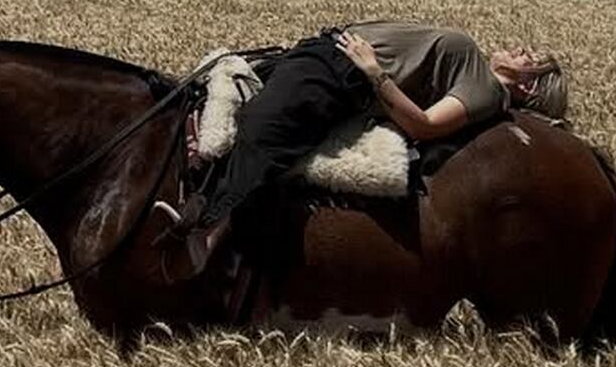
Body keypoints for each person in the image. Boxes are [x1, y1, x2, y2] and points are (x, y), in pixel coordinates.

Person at [160, 21, 569, 275]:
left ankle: (208, 232)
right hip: (328, 55)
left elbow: (424, 125)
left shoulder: (484, 91)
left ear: (529, 84)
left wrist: (373, 71)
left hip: (343, 74)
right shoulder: (477, 71)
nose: (519, 50)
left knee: (261, 129)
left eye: (528, 57)